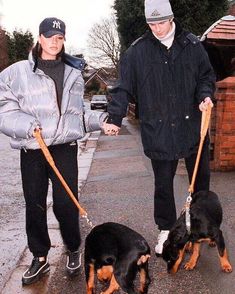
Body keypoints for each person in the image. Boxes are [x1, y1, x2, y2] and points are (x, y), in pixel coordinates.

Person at [0, 17, 107, 285]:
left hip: (63, 148)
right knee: (34, 205)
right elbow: (4, 107)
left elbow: (77, 115)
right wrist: (26, 125)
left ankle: (73, 248)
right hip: (33, 148)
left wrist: (101, 122)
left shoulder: (73, 73)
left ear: (63, 40)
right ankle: (39, 257)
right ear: (39, 38)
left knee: (65, 204)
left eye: (59, 38)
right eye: (49, 36)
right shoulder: (16, 72)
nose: (54, 42)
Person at [103, 0, 215, 255]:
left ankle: (198, 227)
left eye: (161, 22)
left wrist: (205, 95)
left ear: (172, 18)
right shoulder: (137, 52)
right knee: (163, 185)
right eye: (152, 24)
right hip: (159, 130)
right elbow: (123, 87)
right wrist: (114, 117)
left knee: (200, 183)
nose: (157, 28)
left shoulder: (192, 45)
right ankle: (166, 229)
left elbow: (206, 77)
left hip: (193, 127)